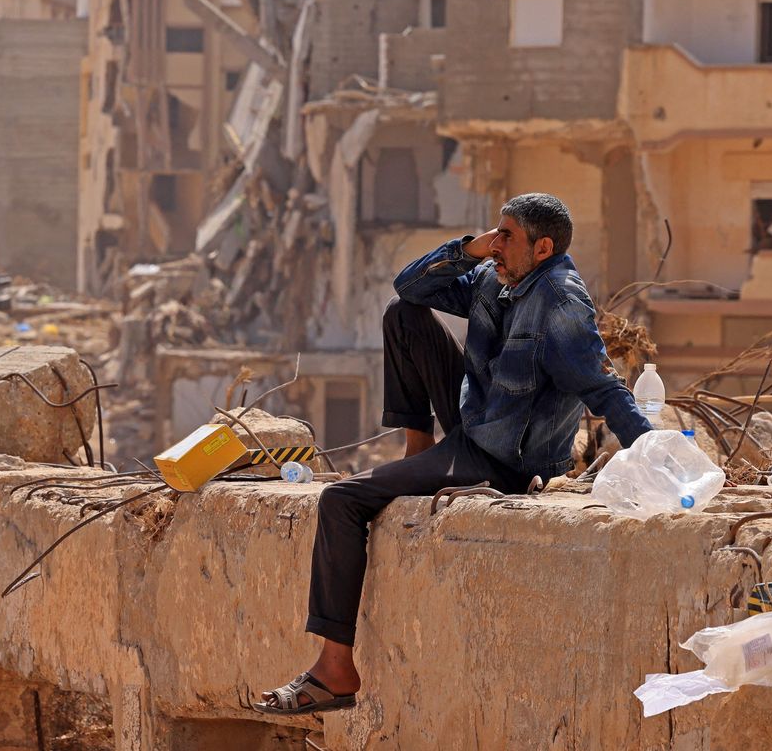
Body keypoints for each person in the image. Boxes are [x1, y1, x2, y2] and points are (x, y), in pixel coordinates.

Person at [254, 193, 653, 715]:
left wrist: (658, 457)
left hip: (507, 459)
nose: (496, 243)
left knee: (342, 502)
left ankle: (334, 672)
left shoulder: (561, 305)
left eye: (507, 236)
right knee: (404, 314)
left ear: (544, 248)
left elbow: (605, 390)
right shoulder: (496, 277)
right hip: (474, 422)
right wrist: (467, 250)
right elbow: (410, 286)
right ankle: (417, 451)